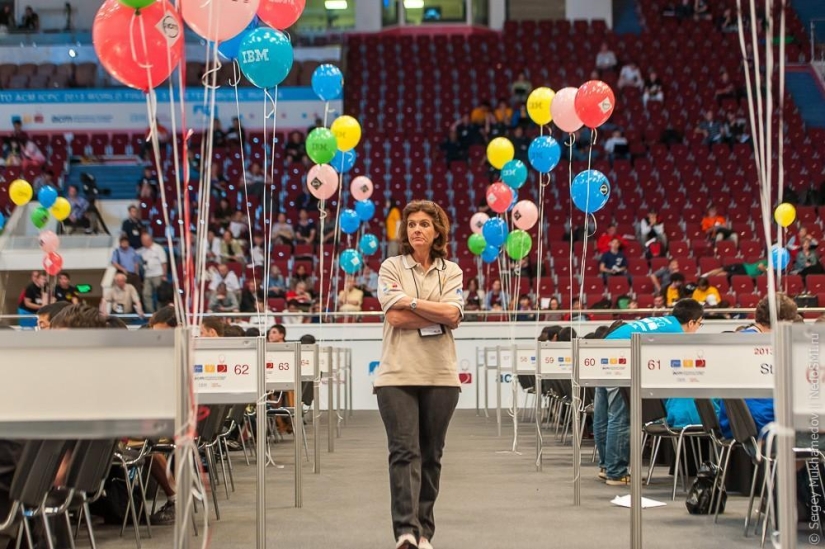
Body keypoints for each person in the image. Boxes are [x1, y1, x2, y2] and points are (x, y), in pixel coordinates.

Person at [374, 200, 464, 549]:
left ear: (437, 231)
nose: (416, 229)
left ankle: (425, 531)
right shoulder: (390, 266)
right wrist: (435, 313)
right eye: (411, 224)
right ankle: (406, 532)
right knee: (403, 453)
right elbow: (394, 318)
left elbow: (454, 315)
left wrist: (408, 302)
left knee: (431, 455)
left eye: (425, 224)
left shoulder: (451, 270)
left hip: (441, 376)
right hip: (395, 376)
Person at [594, 299, 705, 485]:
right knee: (620, 417)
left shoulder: (663, 322)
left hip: (604, 352)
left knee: (603, 415)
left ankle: (607, 467)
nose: (697, 329)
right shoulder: (677, 333)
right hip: (621, 359)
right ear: (692, 321)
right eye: (700, 324)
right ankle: (615, 473)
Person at [716, 294, 798, 438]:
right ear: (783, 321)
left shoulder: (737, 340)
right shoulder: (767, 346)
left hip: (734, 424)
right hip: (762, 427)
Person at [137, 232, 167, 314]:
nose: (142, 242)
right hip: (147, 275)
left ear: (149, 240)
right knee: (146, 294)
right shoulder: (142, 250)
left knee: (159, 295)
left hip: (158, 274)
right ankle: (150, 313)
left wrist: (164, 275)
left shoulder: (158, 248)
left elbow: (163, 263)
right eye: (142, 240)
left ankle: (160, 313)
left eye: (144, 240)